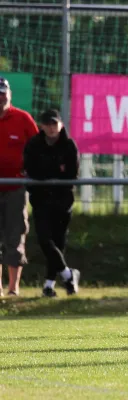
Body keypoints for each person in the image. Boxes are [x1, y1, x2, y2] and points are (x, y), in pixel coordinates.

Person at [23, 109, 81, 297]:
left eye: (54, 124)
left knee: (58, 241)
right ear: (41, 126)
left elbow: (71, 173)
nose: (51, 128)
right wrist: (54, 173)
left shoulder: (69, 145)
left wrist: (50, 174)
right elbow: (31, 170)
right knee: (44, 240)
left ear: (61, 124)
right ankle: (68, 275)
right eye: (47, 124)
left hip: (63, 201)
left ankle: (49, 285)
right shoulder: (34, 144)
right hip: (40, 200)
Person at [0, 76, 38, 297]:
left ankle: (13, 288)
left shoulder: (23, 119)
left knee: (15, 236)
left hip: (15, 188)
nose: (1, 97)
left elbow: (36, 149)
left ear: (9, 95)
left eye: (3, 93)